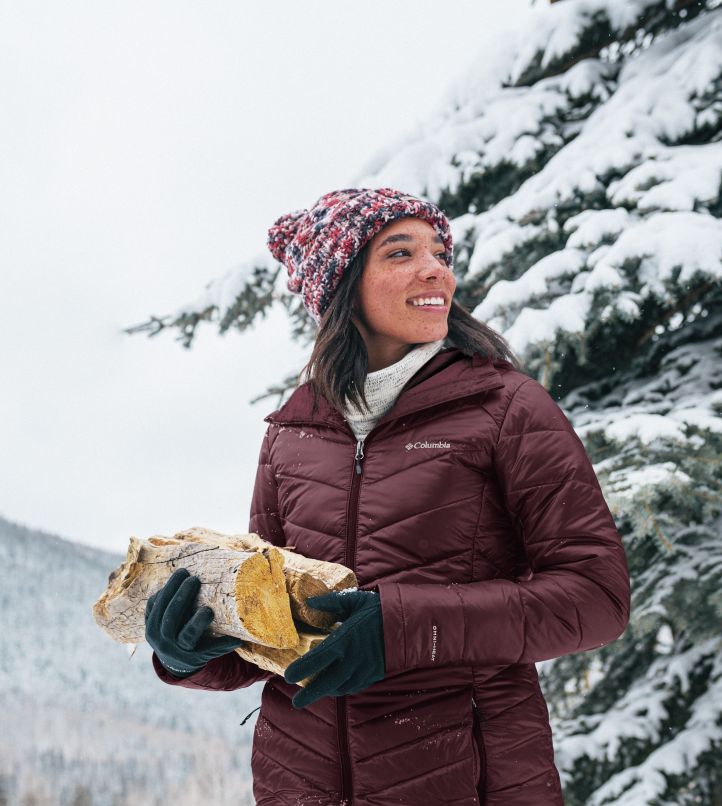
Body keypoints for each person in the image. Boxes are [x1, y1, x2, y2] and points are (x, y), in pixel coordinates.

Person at [145, 186, 631, 805]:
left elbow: (595, 597)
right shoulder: (294, 433)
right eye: (400, 253)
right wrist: (196, 652)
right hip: (301, 782)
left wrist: (408, 628)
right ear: (343, 284)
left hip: (468, 781)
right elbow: (275, 622)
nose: (436, 270)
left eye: (439, 253)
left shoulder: (508, 408)